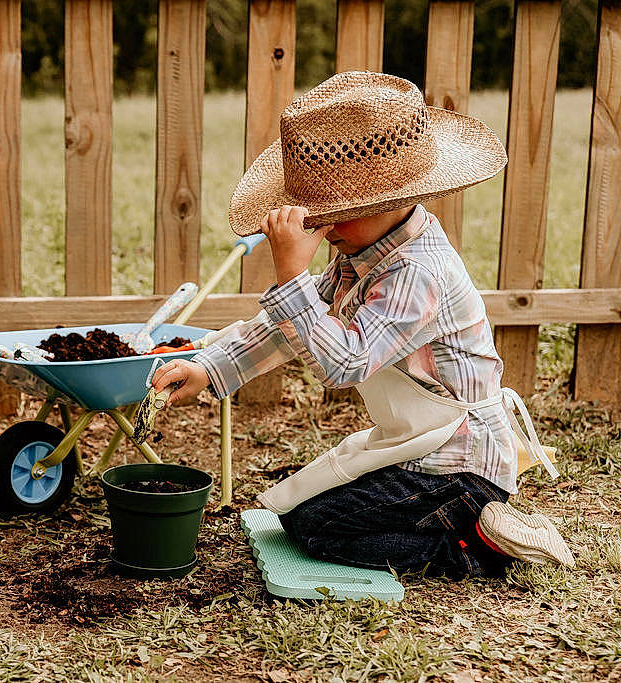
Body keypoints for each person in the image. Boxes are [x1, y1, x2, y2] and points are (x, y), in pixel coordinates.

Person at [150, 71, 574, 579]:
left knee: (317, 526)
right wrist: (209, 370)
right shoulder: (365, 252)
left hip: (459, 462)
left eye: (335, 214)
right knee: (294, 510)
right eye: (316, 216)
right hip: (417, 443)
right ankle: (454, 521)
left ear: (392, 200)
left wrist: (291, 276)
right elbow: (284, 329)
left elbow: (345, 362)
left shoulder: (418, 271)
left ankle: (471, 545)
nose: (322, 230)